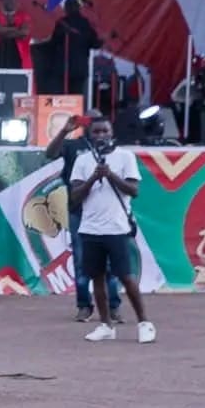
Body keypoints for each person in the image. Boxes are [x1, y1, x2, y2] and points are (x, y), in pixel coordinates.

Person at [69, 118, 155, 343]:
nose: (100, 135)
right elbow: (75, 196)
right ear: (90, 134)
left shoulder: (125, 157)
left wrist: (110, 175)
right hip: (90, 229)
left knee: (126, 276)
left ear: (111, 132)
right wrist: (93, 177)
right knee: (96, 278)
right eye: (96, 132)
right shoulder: (82, 160)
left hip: (117, 228)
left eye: (104, 131)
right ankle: (106, 325)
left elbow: (133, 190)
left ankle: (145, 323)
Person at [45, 111, 123, 322]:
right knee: (81, 261)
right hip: (79, 210)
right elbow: (50, 154)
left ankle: (113, 306)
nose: (99, 132)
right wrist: (65, 131)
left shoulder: (115, 151)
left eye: (102, 126)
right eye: (90, 123)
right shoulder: (74, 146)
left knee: (111, 263)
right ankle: (84, 305)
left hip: (107, 211)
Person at [48, 0, 101, 95]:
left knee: (61, 98)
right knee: (75, 97)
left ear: (66, 9)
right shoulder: (85, 23)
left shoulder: (63, 23)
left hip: (64, 68)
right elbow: (95, 44)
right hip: (78, 69)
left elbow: (53, 43)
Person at [0, 0, 32, 70]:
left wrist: (2, 31)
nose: (8, 1)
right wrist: (16, 29)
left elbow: (24, 32)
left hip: (19, 60)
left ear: (16, 0)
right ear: (2, 0)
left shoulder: (24, 15)